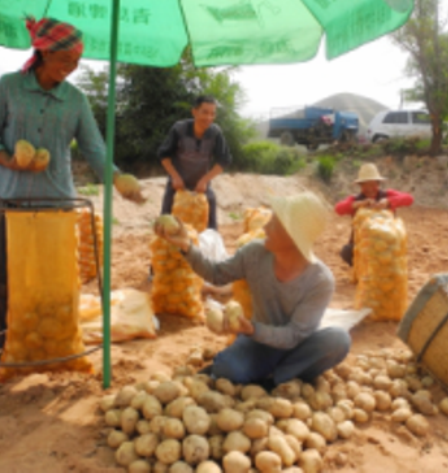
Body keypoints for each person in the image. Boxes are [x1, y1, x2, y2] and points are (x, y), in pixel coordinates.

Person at [0, 17, 142, 351]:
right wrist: (9, 159)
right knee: (9, 274)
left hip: (55, 199)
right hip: (8, 197)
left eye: (76, 62)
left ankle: (51, 339)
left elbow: (94, 148)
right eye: (65, 60)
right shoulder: (8, 87)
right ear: (43, 52)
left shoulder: (76, 100)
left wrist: (118, 179)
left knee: (55, 275)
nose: (71, 68)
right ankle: (9, 341)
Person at [154, 192, 351, 388]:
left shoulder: (320, 281)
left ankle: (271, 379)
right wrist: (186, 246)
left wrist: (251, 329)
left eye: (273, 224)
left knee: (338, 340)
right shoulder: (255, 253)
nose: (265, 227)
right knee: (225, 369)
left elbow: (294, 335)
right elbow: (216, 274)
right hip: (259, 342)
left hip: (299, 346)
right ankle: (282, 376)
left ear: (293, 235)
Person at [158, 95, 232, 230]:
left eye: (212, 114)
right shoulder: (179, 129)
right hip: (177, 185)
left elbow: (224, 160)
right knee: (165, 225)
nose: (209, 117)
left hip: (201, 187)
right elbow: (164, 155)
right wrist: (175, 177)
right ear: (194, 112)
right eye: (205, 112)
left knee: (211, 228)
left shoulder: (215, 132)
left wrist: (204, 180)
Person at [335, 163, 413, 267]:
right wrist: (358, 204)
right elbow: (338, 209)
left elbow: (409, 199)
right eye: (365, 185)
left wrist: (389, 201)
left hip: (387, 243)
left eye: (373, 185)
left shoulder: (387, 195)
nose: (369, 188)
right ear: (360, 186)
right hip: (363, 244)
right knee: (347, 252)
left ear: (378, 183)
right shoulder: (356, 199)